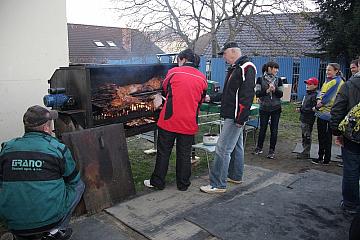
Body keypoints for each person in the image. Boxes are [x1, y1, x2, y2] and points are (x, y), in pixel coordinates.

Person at [0, 105, 85, 240]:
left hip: (13, 224)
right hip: (49, 220)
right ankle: (56, 230)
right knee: (79, 185)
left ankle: (20, 235)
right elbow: (73, 180)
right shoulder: (58, 148)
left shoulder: (7, 148)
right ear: (46, 128)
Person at [144, 49, 208, 191]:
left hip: (169, 121)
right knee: (184, 154)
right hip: (189, 122)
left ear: (182, 59)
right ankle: (183, 184)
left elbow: (165, 90)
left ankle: (158, 182)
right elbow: (201, 99)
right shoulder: (202, 78)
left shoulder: (173, 72)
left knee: (164, 152)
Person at [200, 41, 256, 193]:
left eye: (224, 54)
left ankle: (217, 184)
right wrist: (211, 98)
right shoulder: (236, 68)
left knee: (222, 149)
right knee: (237, 146)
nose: (224, 57)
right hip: (233, 114)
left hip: (235, 116)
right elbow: (229, 94)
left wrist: (240, 118)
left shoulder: (246, 67)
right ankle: (235, 176)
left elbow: (247, 96)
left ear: (233, 52)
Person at [330, 63, 360, 214]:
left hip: (353, 136)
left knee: (351, 169)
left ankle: (350, 204)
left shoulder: (350, 85)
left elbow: (338, 108)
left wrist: (337, 132)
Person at [312, 63, 344, 165]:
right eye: (326, 70)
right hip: (322, 113)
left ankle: (325, 158)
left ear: (336, 71)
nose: (327, 72)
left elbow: (328, 98)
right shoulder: (328, 80)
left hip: (329, 114)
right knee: (322, 136)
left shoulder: (337, 82)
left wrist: (317, 106)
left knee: (326, 137)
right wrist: (318, 99)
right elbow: (321, 92)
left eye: (329, 70)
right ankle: (321, 156)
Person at [253, 61, 283, 159]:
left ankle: (271, 150)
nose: (277, 70)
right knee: (263, 128)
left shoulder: (278, 80)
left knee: (274, 130)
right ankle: (259, 147)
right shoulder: (260, 79)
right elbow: (257, 93)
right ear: (269, 68)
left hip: (276, 108)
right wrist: (267, 91)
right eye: (275, 68)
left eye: (277, 69)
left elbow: (281, 94)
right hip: (264, 108)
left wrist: (274, 90)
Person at [296, 77, 319, 159]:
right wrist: (300, 107)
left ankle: (306, 152)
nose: (307, 85)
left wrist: (301, 109)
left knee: (307, 136)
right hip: (303, 118)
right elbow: (304, 104)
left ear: (315, 85)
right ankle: (304, 151)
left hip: (308, 119)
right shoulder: (307, 94)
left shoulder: (314, 96)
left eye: (310, 84)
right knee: (304, 135)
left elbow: (312, 109)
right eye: (307, 83)